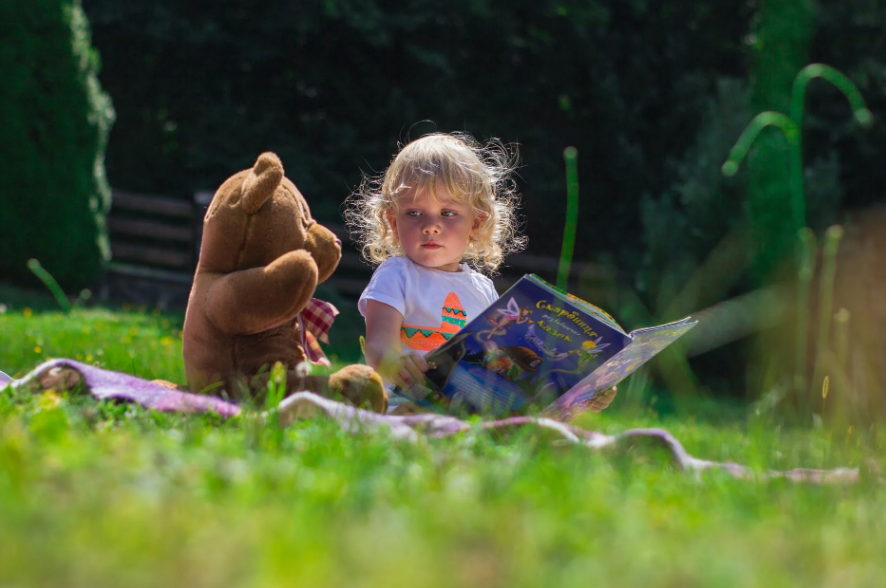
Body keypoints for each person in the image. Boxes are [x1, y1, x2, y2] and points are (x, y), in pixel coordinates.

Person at [346, 132, 616, 414]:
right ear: (392, 221)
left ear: (476, 223)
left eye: (448, 213)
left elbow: (499, 361)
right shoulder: (396, 274)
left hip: (472, 410)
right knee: (413, 419)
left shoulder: (482, 288)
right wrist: (394, 364)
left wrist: (583, 394)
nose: (430, 226)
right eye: (414, 213)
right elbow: (378, 346)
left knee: (538, 431)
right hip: (407, 402)